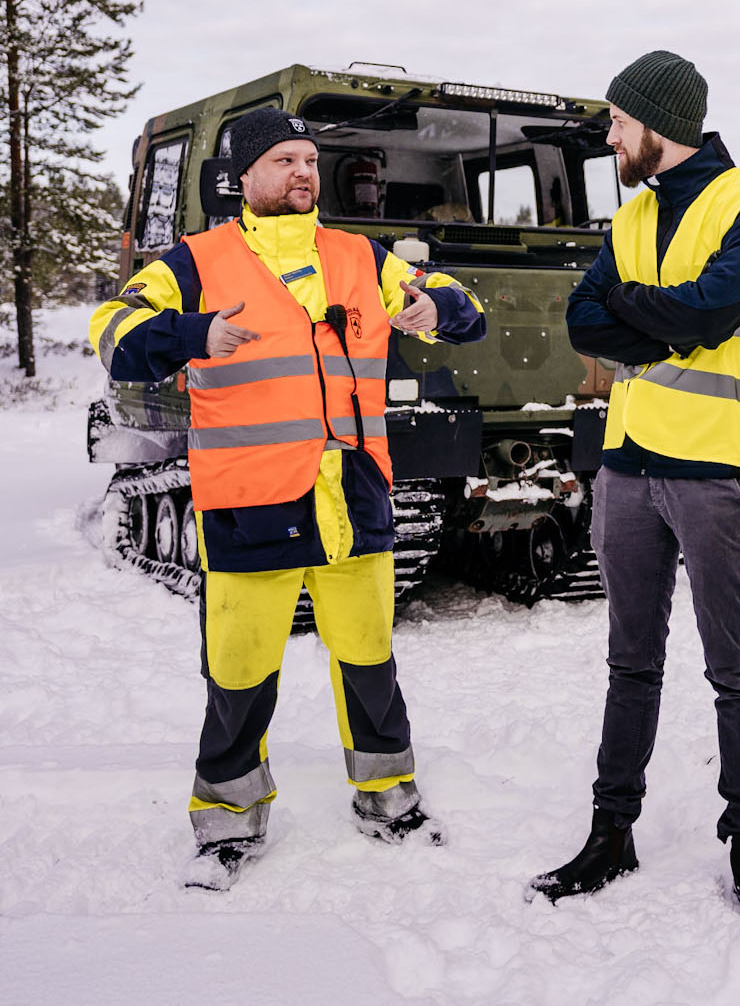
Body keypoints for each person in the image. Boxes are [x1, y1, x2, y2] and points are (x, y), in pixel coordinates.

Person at [89, 106, 487, 890]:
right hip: (249, 501)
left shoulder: (359, 258)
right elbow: (113, 328)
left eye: (309, 159)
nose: (302, 172)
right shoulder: (195, 263)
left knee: (369, 660)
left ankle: (388, 799)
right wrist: (191, 335)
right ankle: (230, 822)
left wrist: (440, 307)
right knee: (238, 671)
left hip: (355, 499)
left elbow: (454, 302)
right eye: (283, 161)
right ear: (243, 179)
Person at [532, 51, 740, 910]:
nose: (608, 136)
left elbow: (711, 313)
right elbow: (581, 316)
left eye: (617, 121)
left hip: (717, 469)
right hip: (627, 463)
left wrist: (649, 320)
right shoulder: (631, 217)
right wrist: (673, 326)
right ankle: (611, 834)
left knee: (732, 667)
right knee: (629, 662)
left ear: (659, 125)